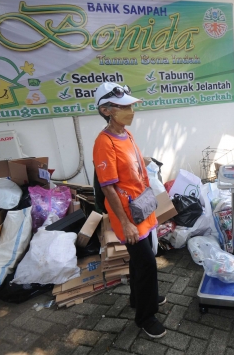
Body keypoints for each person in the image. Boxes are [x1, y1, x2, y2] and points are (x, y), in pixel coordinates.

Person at [92, 82, 166, 339]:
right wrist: (125, 223)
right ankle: (146, 316)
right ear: (106, 110)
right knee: (146, 263)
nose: (131, 111)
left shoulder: (126, 133)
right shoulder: (104, 143)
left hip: (141, 208)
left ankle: (139, 298)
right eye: (124, 107)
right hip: (127, 215)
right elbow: (109, 189)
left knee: (140, 261)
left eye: (131, 106)